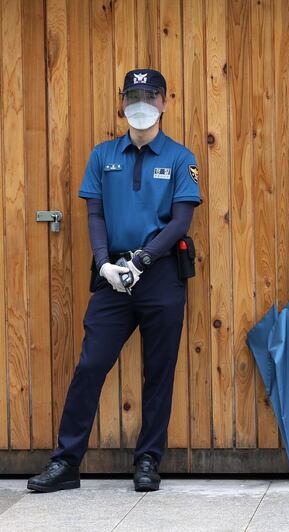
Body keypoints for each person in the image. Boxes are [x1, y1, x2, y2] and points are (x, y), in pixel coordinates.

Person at [27, 69, 201, 493]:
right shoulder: (103, 154)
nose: (141, 103)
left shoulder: (181, 158)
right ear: (122, 102)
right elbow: (95, 215)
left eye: (150, 94)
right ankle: (66, 463)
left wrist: (142, 259)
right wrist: (105, 263)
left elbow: (180, 222)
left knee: (158, 373)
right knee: (90, 365)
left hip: (160, 277)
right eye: (133, 95)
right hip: (112, 280)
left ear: (163, 102)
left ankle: (147, 461)